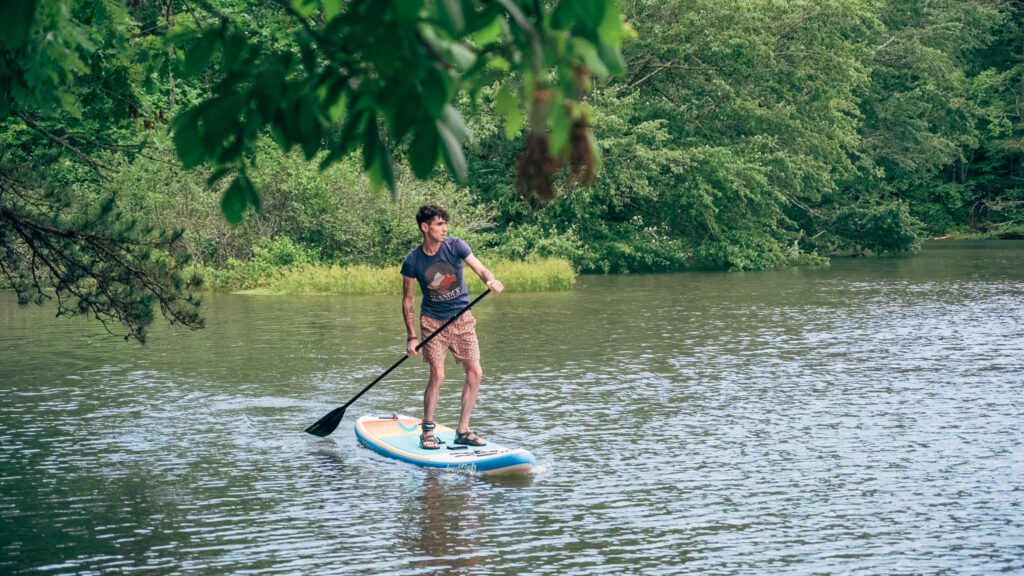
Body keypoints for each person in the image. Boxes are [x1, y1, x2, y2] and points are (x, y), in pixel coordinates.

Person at [401, 204, 504, 450]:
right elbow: (407, 299)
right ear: (425, 228)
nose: (444, 228)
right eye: (439, 224)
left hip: (462, 318)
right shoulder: (413, 260)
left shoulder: (456, 246)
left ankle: (463, 430)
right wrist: (412, 337)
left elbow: (479, 268)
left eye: (445, 223)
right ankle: (427, 431)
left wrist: (491, 280)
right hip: (432, 322)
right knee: (438, 375)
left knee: (475, 372)